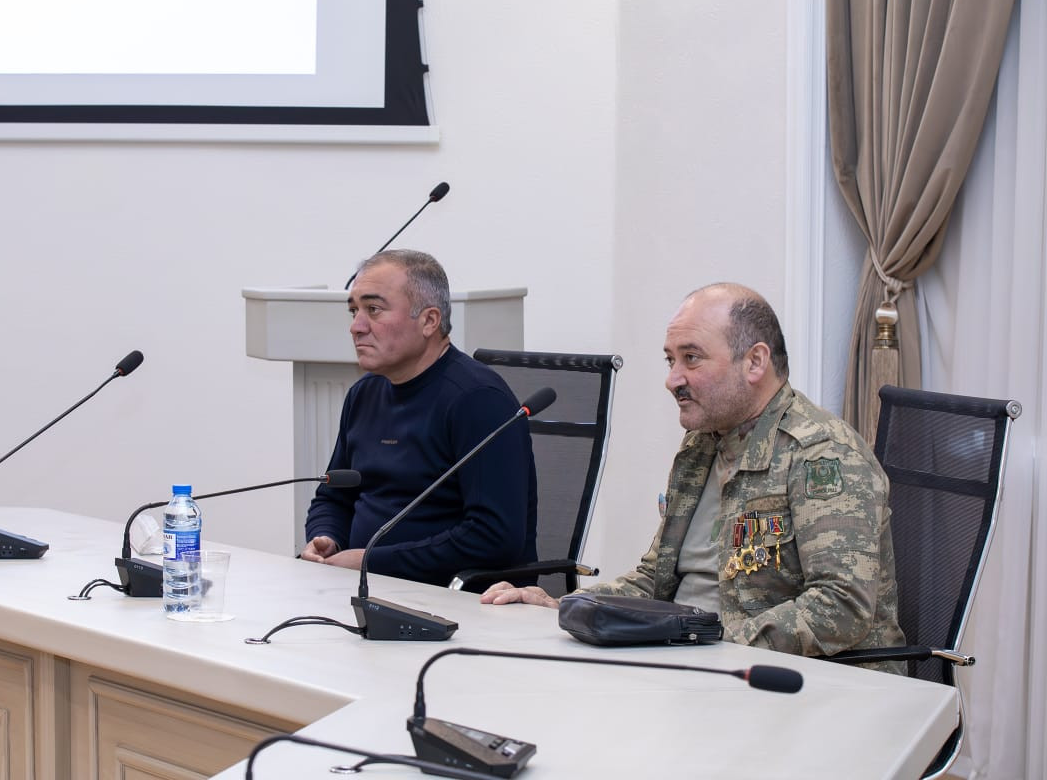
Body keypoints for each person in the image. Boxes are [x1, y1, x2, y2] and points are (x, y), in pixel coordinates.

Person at [482, 282, 904, 662]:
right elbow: (656, 580)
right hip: (694, 664)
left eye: (692, 359)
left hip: (798, 683)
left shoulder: (821, 454)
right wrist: (566, 606)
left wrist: (707, 643)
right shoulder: (701, 445)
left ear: (755, 361)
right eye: (671, 360)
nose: (672, 380)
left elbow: (840, 606)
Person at [300, 250, 538, 586]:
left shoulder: (478, 400)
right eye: (354, 311)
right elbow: (333, 496)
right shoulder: (364, 394)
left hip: (454, 597)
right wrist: (327, 538)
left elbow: (493, 537)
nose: (356, 327)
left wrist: (371, 561)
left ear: (429, 321)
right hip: (364, 586)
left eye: (373, 310)